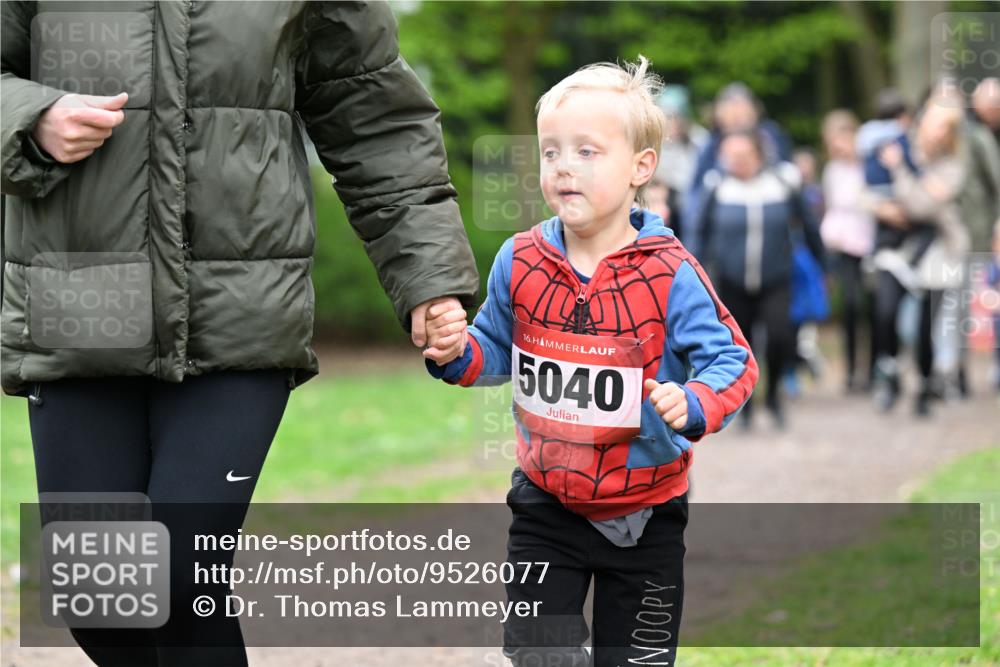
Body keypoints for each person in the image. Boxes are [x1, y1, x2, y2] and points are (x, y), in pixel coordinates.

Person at [1, 2, 478, 665]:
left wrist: (427, 274)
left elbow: (374, 116)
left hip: (243, 309)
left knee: (180, 573)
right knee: (101, 597)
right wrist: (29, 117)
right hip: (79, 306)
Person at [422, 57, 758, 667]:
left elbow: (732, 361)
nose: (564, 166)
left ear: (640, 168)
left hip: (648, 512)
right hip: (544, 503)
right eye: (551, 152)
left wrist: (693, 401)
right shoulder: (520, 259)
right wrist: (455, 352)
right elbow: (494, 347)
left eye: (586, 151)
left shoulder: (671, 271)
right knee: (538, 655)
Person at [688, 131, 824, 428]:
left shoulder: (782, 182)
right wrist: (694, 273)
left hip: (776, 277)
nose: (735, 162)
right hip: (731, 280)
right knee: (742, 343)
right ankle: (746, 405)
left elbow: (808, 225)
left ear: (758, 154)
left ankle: (773, 395)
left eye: (741, 156)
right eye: (729, 156)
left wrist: (822, 266)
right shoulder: (717, 185)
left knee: (780, 337)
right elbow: (700, 232)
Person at [869, 96, 969, 416]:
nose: (936, 132)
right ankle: (890, 375)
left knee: (926, 327)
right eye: (933, 123)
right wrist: (882, 208)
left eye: (945, 127)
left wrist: (899, 170)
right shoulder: (895, 144)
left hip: (937, 250)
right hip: (895, 245)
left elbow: (922, 206)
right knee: (885, 313)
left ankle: (925, 386)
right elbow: (864, 189)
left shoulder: (953, 165)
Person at [820, 110, 876, 392]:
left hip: (870, 242)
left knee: (874, 306)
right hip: (843, 245)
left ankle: (875, 367)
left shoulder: (868, 166)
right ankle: (852, 369)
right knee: (851, 305)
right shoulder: (832, 170)